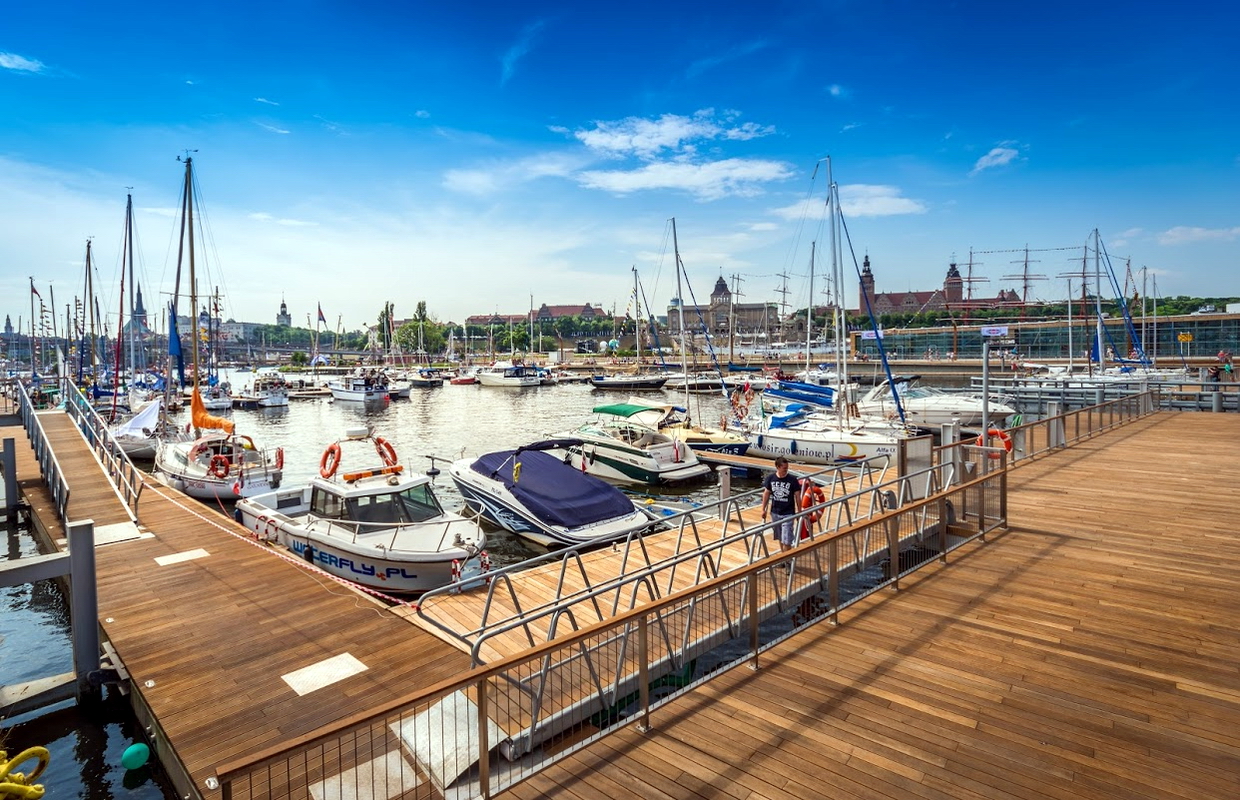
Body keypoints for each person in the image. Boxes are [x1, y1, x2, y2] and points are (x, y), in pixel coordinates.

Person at [760, 456, 801, 565]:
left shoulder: (792, 480)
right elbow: (766, 493)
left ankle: (788, 561)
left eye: (787, 468)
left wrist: (799, 511)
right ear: (778, 467)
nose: (786, 470)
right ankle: (784, 559)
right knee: (780, 537)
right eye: (784, 468)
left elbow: (797, 496)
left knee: (787, 539)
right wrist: (763, 509)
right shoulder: (771, 478)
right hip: (775, 512)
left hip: (788, 513)